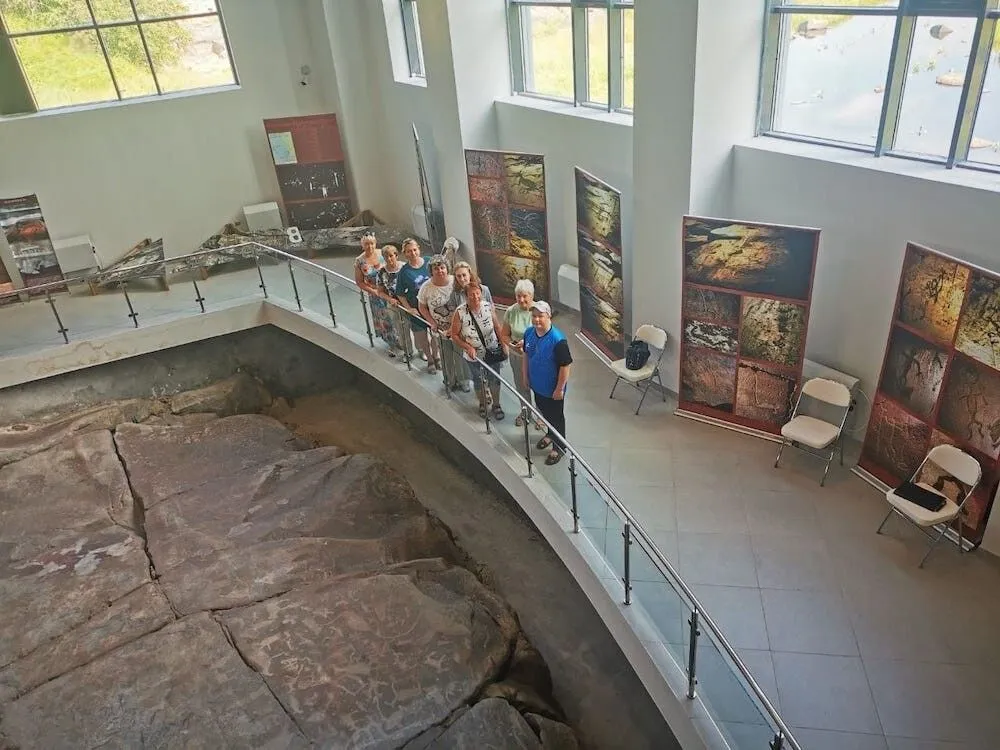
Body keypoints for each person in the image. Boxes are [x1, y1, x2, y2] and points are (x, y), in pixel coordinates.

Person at [523, 301, 572, 465]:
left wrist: (559, 389)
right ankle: (551, 434)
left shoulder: (557, 340)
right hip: (537, 386)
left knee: (556, 418)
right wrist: (525, 375)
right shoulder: (529, 333)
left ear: (548, 316)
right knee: (545, 413)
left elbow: (565, 366)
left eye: (540, 316)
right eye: (534, 316)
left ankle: (559, 447)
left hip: (553, 390)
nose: (536, 319)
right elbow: (526, 355)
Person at [452, 280, 506, 421]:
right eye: (471, 294)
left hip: (492, 350)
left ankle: (496, 404)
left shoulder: (488, 307)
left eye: (477, 293)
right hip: (474, 356)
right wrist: (468, 347)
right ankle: (482, 403)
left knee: (494, 379)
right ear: (466, 296)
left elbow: (497, 327)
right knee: (478, 379)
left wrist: (503, 344)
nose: (475, 297)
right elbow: (454, 335)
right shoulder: (460, 312)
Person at [500, 278, 546, 432]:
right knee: (521, 386)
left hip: (536, 358)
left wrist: (527, 345)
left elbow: (546, 335)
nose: (521, 299)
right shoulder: (511, 311)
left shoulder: (539, 311)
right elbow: (504, 335)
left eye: (524, 296)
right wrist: (512, 345)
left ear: (531, 295)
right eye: (518, 296)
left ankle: (541, 416)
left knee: (539, 387)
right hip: (517, 357)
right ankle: (525, 412)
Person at [447, 261, 493, 392]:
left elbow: (492, 310)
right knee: (472, 366)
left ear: (470, 274)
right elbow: (453, 314)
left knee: (488, 365)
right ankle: (473, 385)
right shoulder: (455, 294)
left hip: (485, 335)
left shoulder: (484, 290)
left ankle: (488, 387)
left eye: (464, 275)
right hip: (467, 336)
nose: (462, 279)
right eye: (458, 276)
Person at [394, 238, 437, 370]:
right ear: (405, 253)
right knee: (422, 336)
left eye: (414, 250)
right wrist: (409, 308)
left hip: (433, 306)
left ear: (419, 249)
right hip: (417, 308)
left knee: (435, 334)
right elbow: (400, 293)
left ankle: (436, 357)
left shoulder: (429, 261)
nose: (413, 253)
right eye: (409, 251)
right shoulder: (404, 272)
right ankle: (430, 360)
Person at [417, 254, 459, 383]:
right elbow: (422, 307)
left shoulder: (455, 281)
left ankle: (462, 380)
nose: (440, 271)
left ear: (447, 268)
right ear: (431, 271)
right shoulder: (426, 287)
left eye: (442, 267)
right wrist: (432, 322)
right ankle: (449, 380)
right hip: (441, 330)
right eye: (436, 269)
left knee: (459, 356)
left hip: (458, 329)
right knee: (446, 356)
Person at [353, 232, 391, 351]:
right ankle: (391, 343)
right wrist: (373, 291)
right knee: (384, 319)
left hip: (389, 290)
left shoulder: (382, 253)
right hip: (375, 294)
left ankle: (401, 341)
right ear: (362, 246)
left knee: (394, 317)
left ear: (375, 243)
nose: (370, 246)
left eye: (372, 243)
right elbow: (359, 282)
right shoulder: (359, 261)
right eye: (366, 244)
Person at [375, 244, 407, 358]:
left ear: (396, 255)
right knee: (400, 329)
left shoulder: (405, 267)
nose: (389, 259)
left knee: (415, 328)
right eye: (386, 256)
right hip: (394, 305)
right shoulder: (381, 272)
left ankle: (422, 351)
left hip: (408, 303)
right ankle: (407, 352)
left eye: (391, 256)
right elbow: (380, 291)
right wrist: (390, 299)